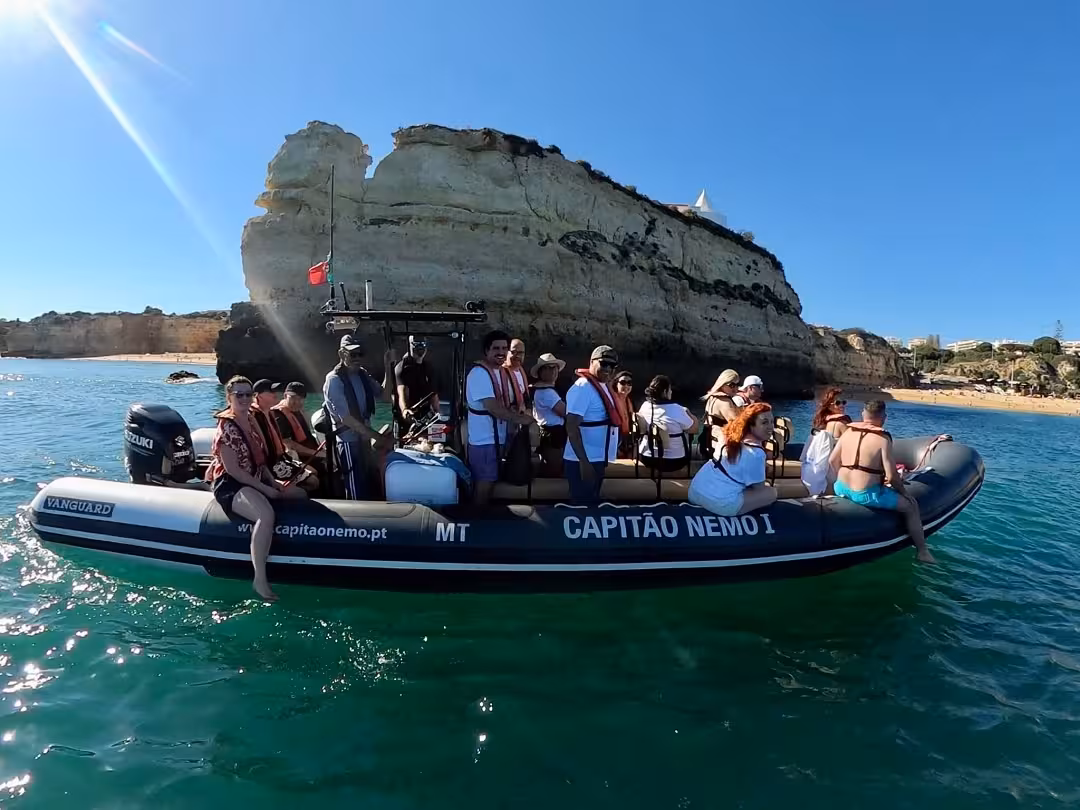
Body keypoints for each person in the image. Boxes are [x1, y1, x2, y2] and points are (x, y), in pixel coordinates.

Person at [206, 376, 306, 601]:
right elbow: (233, 471)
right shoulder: (226, 428)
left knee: (300, 494)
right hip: (231, 484)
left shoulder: (251, 420)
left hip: (255, 477)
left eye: (247, 394)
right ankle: (259, 579)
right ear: (229, 397)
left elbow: (259, 460)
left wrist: (273, 483)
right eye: (238, 394)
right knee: (265, 514)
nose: (243, 398)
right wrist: (265, 489)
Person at [828, 400, 936, 563]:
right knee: (911, 506)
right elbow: (892, 477)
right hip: (864, 495)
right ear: (883, 417)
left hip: (840, 488)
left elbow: (832, 461)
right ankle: (922, 551)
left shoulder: (848, 432)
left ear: (863, 414)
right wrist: (904, 493)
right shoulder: (882, 439)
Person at [323, 334, 397, 500]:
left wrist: (387, 366)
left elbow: (385, 396)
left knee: (367, 478)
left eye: (360, 354)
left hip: (364, 439)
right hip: (348, 441)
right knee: (355, 483)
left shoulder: (362, 375)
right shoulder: (334, 380)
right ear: (342, 354)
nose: (357, 358)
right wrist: (377, 436)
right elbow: (346, 418)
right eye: (352, 354)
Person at [466, 330, 535, 504]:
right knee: (485, 483)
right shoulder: (479, 374)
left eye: (504, 348)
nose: (501, 352)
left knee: (494, 482)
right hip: (484, 441)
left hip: (501, 439)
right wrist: (522, 420)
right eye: (496, 348)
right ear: (486, 351)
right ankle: (476, 520)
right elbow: (494, 408)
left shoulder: (503, 373)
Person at [687, 403, 778, 516]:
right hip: (721, 502)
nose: (770, 427)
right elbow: (758, 487)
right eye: (764, 422)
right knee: (771, 492)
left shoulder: (727, 435)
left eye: (772, 422)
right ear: (751, 425)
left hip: (695, 491)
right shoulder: (756, 454)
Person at [564, 346, 626, 504]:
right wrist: (584, 463)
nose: (608, 369)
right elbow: (571, 427)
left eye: (612, 366)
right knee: (582, 505)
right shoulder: (583, 388)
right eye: (604, 364)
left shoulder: (603, 386)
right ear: (591, 362)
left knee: (592, 500)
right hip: (584, 460)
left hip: (597, 457)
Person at [251, 379, 318, 493]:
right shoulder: (255, 416)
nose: (275, 394)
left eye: (275, 391)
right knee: (313, 481)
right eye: (271, 392)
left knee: (314, 473)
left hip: (281, 458)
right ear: (258, 396)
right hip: (271, 463)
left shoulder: (269, 413)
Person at [637, 375, 700, 474]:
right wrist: (689, 414)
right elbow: (694, 430)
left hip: (646, 457)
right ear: (665, 392)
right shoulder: (677, 409)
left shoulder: (644, 406)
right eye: (670, 389)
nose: (671, 392)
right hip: (673, 461)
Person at [799, 387, 851, 496]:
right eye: (838, 403)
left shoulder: (823, 423)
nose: (842, 405)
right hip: (834, 471)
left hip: (822, 468)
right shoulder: (842, 424)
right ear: (830, 405)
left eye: (844, 402)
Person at [271, 382, 324, 469]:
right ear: (285, 396)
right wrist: (319, 454)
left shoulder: (297, 411)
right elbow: (289, 445)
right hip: (296, 457)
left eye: (300, 398)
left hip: (311, 451)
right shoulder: (279, 415)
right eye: (293, 398)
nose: (297, 402)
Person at [530, 352, 567, 475]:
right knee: (555, 469)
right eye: (547, 368)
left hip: (548, 435)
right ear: (540, 372)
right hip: (552, 435)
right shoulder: (547, 392)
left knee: (550, 467)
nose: (552, 371)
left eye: (554, 367)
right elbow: (564, 412)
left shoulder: (541, 389)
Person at [394, 335, 439, 435]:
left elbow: (433, 393)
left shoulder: (428, 367)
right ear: (410, 346)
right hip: (410, 417)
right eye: (416, 346)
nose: (420, 349)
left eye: (423, 346)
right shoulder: (402, 368)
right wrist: (405, 410)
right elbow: (402, 393)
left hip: (428, 417)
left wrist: (437, 413)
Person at [699, 369, 742, 458]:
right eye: (732, 385)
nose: (735, 388)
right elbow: (737, 424)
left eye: (737, 385)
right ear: (723, 384)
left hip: (708, 441)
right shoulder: (724, 401)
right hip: (719, 446)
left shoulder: (712, 397)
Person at [611, 370, 635, 459]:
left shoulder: (630, 401)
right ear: (616, 384)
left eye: (629, 383)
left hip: (627, 438)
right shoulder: (612, 400)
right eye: (623, 382)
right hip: (615, 439)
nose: (626, 386)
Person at [504, 338, 530, 413]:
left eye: (521, 353)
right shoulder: (500, 373)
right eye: (514, 352)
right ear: (507, 353)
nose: (518, 356)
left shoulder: (521, 371)